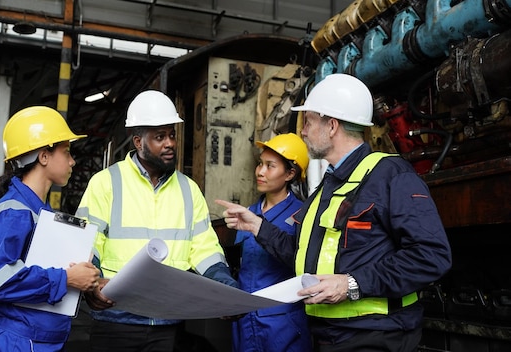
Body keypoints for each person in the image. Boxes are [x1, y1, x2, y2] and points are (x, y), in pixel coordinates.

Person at [216, 73, 452, 352]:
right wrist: (258, 226)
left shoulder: (391, 176)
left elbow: (431, 256)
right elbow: (302, 256)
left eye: (309, 122)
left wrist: (352, 284)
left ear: (331, 126)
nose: (302, 131)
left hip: (375, 337)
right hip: (329, 337)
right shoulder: (326, 188)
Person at [76, 89, 238, 352]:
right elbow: (87, 244)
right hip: (115, 320)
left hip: (168, 324)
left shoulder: (189, 189)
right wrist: (91, 285)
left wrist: (226, 287)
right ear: (138, 142)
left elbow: (205, 250)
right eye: (160, 137)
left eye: (172, 134)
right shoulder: (106, 183)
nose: (170, 143)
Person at [0, 106, 101, 352]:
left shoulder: (41, 212)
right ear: (44, 157)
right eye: (66, 152)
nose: (72, 161)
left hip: (38, 342)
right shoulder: (14, 212)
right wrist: (66, 278)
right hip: (16, 344)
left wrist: (89, 282)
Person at [232, 133, 312, 352]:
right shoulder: (248, 213)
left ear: (290, 173)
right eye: (260, 164)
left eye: (270, 166)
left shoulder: (301, 216)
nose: (260, 171)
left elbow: (303, 264)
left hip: (282, 326)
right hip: (245, 321)